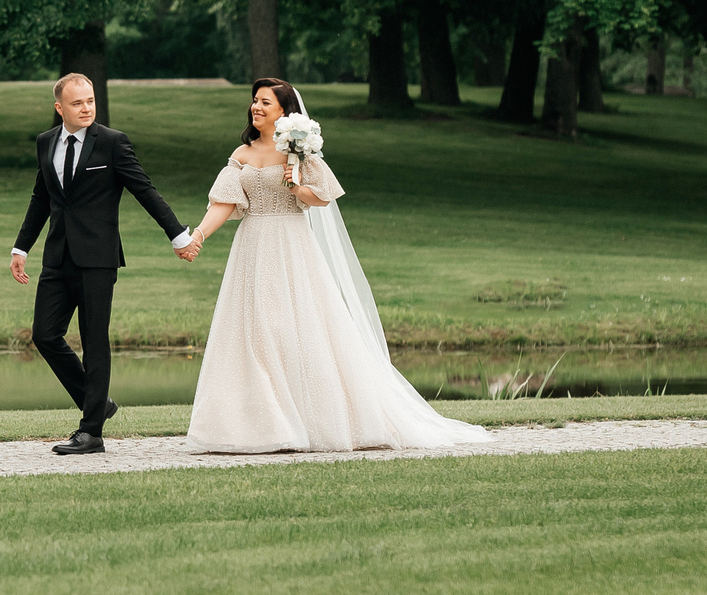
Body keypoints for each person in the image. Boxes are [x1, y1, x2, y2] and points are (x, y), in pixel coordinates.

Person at [182, 79, 492, 453]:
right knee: (254, 328)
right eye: (254, 101)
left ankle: (311, 420)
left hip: (291, 244)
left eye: (265, 102)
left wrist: (296, 185)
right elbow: (225, 203)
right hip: (252, 246)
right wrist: (198, 235)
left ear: (284, 112)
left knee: (294, 328)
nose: (256, 107)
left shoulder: (299, 153)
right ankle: (259, 426)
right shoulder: (242, 154)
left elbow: (322, 198)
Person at [11, 73, 199, 455]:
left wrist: (178, 235)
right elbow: (40, 197)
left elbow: (144, 189)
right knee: (45, 335)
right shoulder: (46, 142)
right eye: (77, 103)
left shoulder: (112, 143)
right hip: (57, 257)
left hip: (98, 259)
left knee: (95, 340)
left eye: (91, 101)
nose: (86, 108)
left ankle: (91, 431)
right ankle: (98, 401)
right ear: (59, 108)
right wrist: (21, 247)